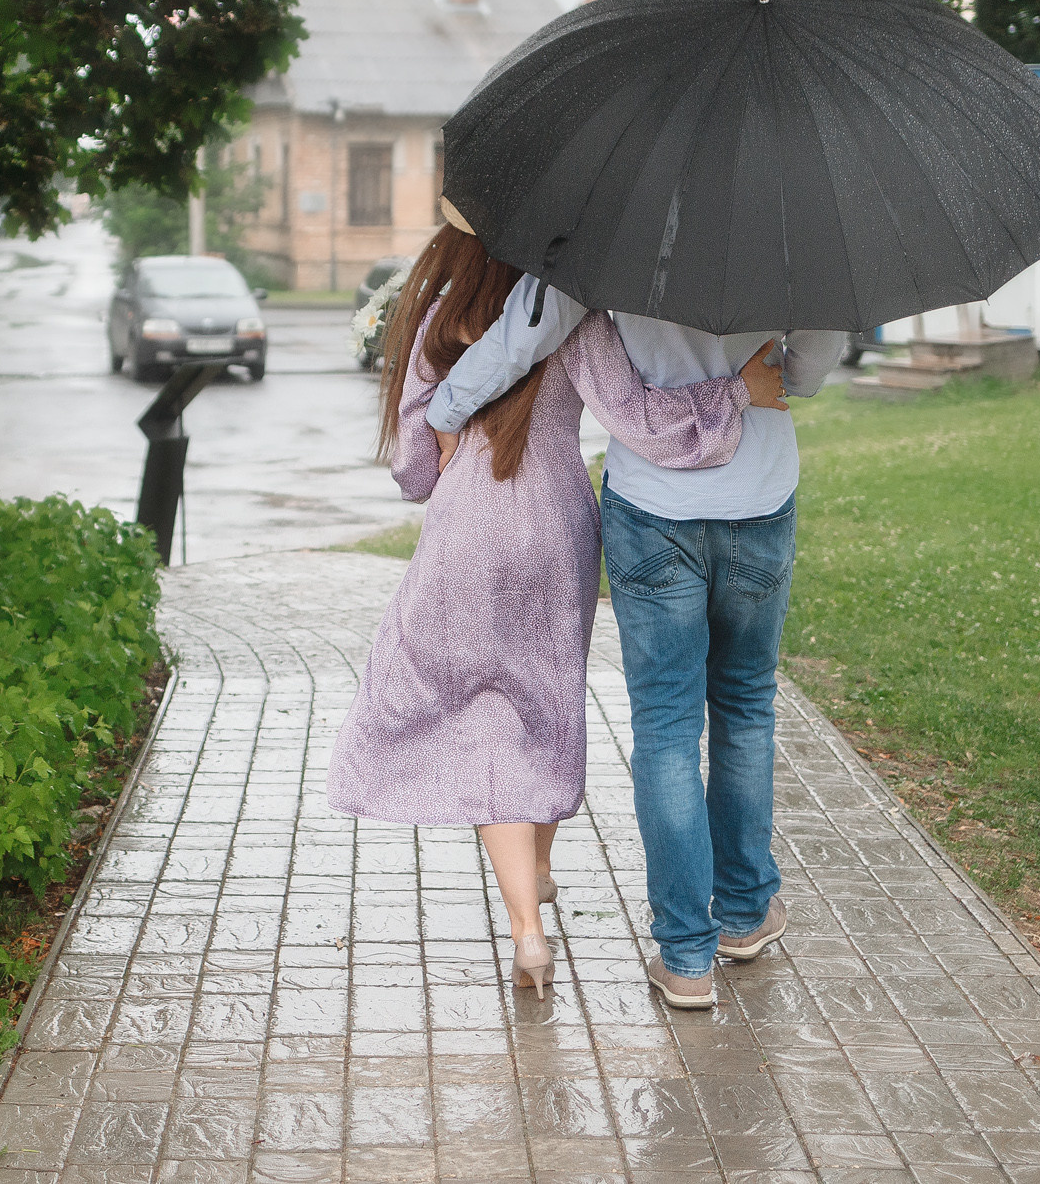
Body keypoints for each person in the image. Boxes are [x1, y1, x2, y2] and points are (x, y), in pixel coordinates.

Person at [326, 208, 782, 999]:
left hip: (466, 528)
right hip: (555, 525)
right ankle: (539, 868)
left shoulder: (441, 315)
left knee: (485, 716)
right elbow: (642, 422)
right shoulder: (574, 307)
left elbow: (412, 466)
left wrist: (443, 446)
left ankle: (528, 927)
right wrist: (734, 396)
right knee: (541, 707)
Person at [426, 269, 846, 1009]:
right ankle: (745, 914)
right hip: (759, 497)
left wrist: (449, 407)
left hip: (654, 505)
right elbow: (807, 373)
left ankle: (686, 955)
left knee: (666, 728)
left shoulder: (622, 225)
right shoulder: (787, 225)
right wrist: (771, 354)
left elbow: (531, 328)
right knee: (746, 706)